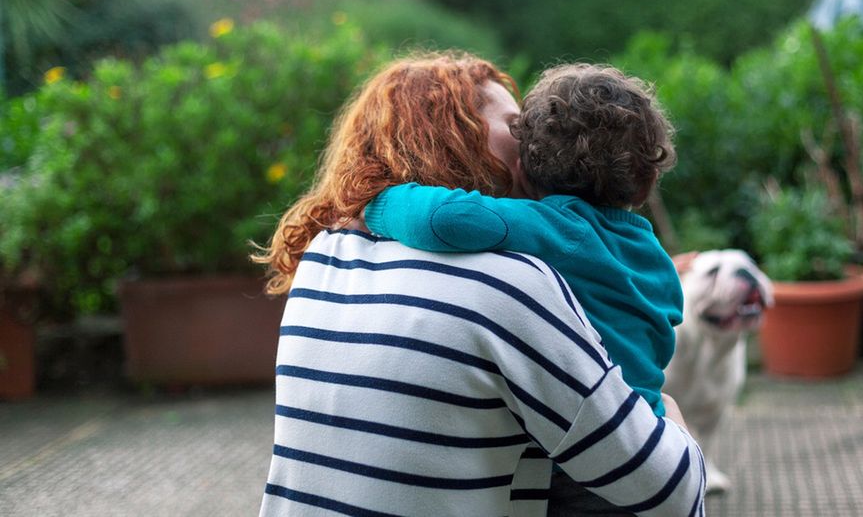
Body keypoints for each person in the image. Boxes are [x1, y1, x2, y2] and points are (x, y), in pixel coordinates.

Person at [254, 53, 705, 516]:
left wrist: (370, 199)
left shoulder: (326, 258)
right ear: (455, 136)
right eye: (516, 126)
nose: (527, 141)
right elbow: (672, 489)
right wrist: (669, 413)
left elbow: (444, 217)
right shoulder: (510, 283)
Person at [364, 64, 680, 418]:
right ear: (646, 182)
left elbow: (440, 219)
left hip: (590, 441)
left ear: (526, 166)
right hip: (649, 419)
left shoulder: (555, 230)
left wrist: (373, 201)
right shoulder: (654, 256)